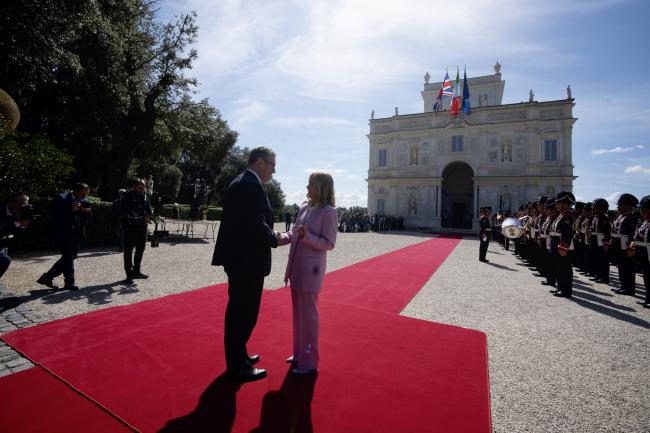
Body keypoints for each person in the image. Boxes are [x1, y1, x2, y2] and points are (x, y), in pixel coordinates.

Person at [212, 147, 280, 382]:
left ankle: (239, 355)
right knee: (243, 313)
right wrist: (276, 238)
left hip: (241, 258)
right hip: (246, 260)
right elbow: (255, 225)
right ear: (259, 162)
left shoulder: (242, 181)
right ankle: (237, 365)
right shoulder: (250, 185)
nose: (274, 170)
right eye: (272, 164)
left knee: (240, 312)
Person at [279, 172, 338, 374]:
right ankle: (298, 354)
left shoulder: (329, 212)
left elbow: (329, 243)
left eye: (311, 185)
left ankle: (309, 361)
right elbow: (295, 231)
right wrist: (279, 238)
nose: (307, 188)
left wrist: (307, 236)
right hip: (296, 267)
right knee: (298, 315)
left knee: (308, 318)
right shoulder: (305, 207)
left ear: (321, 187)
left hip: (311, 271)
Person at [37, 183, 92, 291]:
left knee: (70, 256)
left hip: (76, 233)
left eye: (86, 194)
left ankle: (47, 277)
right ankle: (69, 282)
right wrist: (71, 211)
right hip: (63, 233)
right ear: (76, 190)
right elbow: (55, 216)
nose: (84, 196)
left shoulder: (82, 199)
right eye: (83, 193)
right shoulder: (61, 198)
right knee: (68, 256)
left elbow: (88, 216)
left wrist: (86, 211)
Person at [121, 179, 152, 284]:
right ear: (135, 187)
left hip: (142, 227)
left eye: (143, 188)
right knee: (128, 251)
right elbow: (125, 212)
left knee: (140, 249)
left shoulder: (145, 196)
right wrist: (138, 217)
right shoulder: (128, 196)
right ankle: (128, 275)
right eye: (139, 188)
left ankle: (136, 271)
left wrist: (149, 215)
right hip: (130, 227)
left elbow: (148, 209)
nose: (141, 190)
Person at [549, 192, 575, 298]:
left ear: (565, 204)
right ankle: (560, 287)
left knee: (565, 269)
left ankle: (566, 290)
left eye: (558, 203)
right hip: (557, 244)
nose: (556, 205)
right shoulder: (562, 215)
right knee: (559, 268)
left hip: (563, 245)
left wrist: (563, 246)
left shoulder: (568, 216)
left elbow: (566, 233)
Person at [612, 193, 639, 295]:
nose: (618, 206)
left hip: (627, 246)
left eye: (621, 205)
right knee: (622, 267)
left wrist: (631, 248)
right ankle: (623, 286)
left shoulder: (631, 218)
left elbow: (633, 234)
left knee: (628, 268)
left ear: (628, 206)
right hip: (619, 245)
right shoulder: (621, 217)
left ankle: (629, 288)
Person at [0, 193, 31, 279]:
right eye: (22, 204)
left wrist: (23, 224)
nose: (23, 207)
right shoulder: (1, 209)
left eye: (26, 205)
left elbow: (18, 233)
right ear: (12, 201)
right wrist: (18, 223)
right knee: (4, 260)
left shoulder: (17, 213)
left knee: (5, 260)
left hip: (2, 245)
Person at [631, 195, 650, 308]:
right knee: (647, 276)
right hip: (644, 253)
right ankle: (648, 298)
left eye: (644, 209)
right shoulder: (645, 222)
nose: (641, 211)